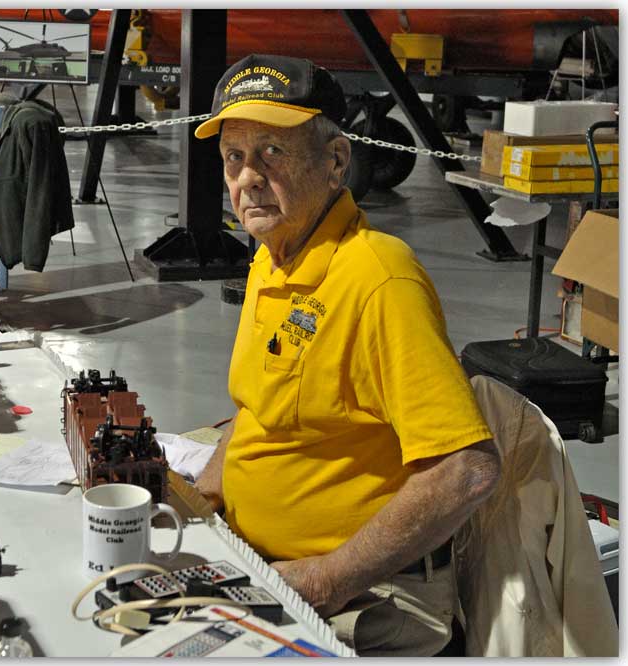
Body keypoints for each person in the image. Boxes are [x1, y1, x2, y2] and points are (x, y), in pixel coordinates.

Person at [193, 54, 501, 657]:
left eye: (272, 153)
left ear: (335, 162)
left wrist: (326, 578)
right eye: (235, 157)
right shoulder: (272, 254)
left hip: (364, 596)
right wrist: (206, 490)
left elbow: (466, 469)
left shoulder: (378, 278)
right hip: (258, 561)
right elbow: (262, 407)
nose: (248, 178)